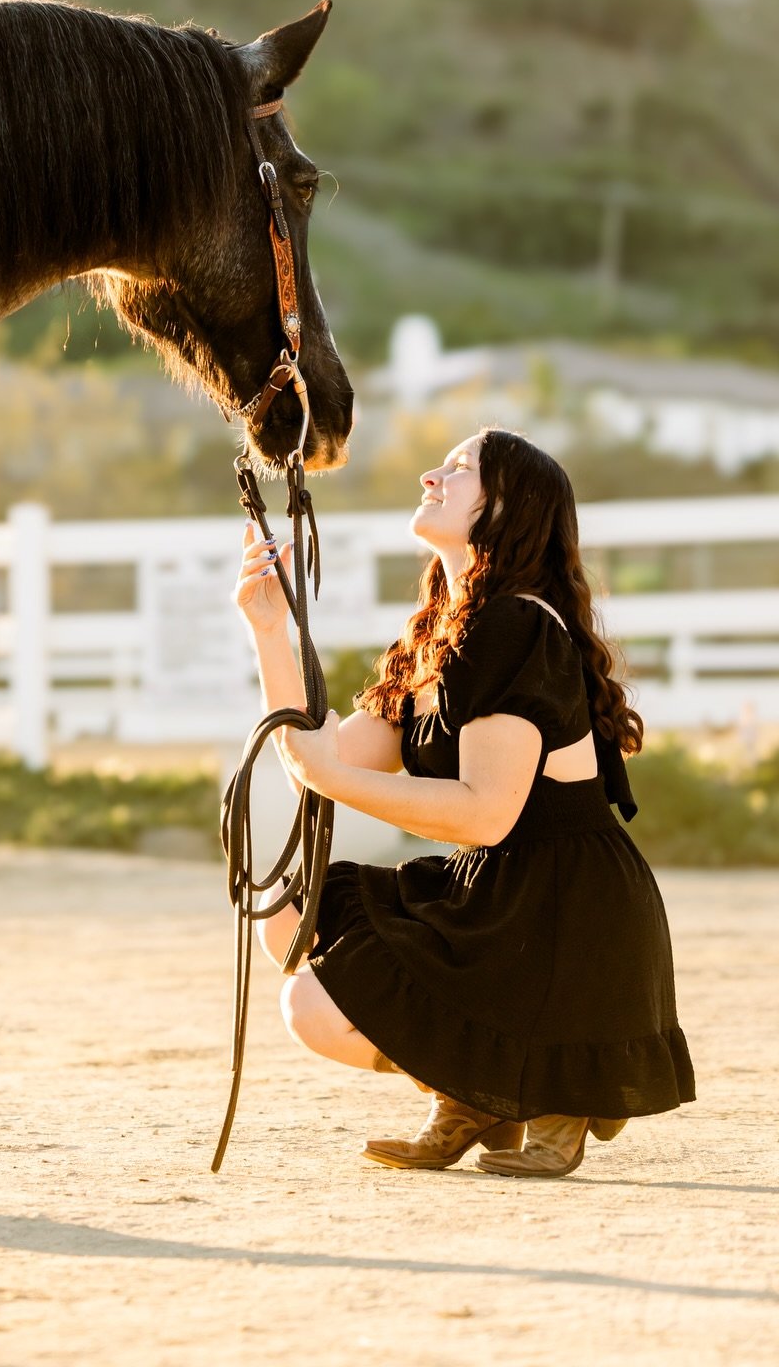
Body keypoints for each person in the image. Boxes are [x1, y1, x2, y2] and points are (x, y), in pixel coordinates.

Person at [233, 426, 694, 1178]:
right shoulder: (441, 636)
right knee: (287, 916)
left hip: (565, 908)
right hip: (496, 889)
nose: (431, 476)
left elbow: (485, 812)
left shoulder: (514, 623)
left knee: (312, 1003)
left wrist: (329, 778)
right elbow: (319, 764)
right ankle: (481, 1094)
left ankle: (540, 1091)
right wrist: (268, 631)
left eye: (459, 468)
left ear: (507, 506)